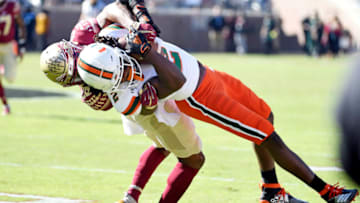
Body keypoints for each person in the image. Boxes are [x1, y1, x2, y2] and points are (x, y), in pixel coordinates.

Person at [77, 25, 359, 203]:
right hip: (201, 97)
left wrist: (138, 21)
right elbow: (173, 80)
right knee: (268, 136)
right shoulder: (128, 92)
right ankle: (327, 193)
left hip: (208, 73)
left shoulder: (113, 38)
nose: (125, 72)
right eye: (117, 75)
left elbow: (124, 15)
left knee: (266, 115)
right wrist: (148, 52)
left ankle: (271, 190)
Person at [40, 1, 204, 203]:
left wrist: (132, 25)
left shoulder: (83, 33)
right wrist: (149, 104)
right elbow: (135, 107)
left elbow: (112, 9)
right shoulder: (92, 93)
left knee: (161, 145)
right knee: (192, 158)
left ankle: (131, 196)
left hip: (148, 87)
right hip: (144, 98)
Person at [0, 0, 26, 115]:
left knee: (10, 78)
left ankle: (2, 70)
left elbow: (21, 25)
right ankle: (6, 104)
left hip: (8, 45)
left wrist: (22, 46)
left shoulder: (11, 5)